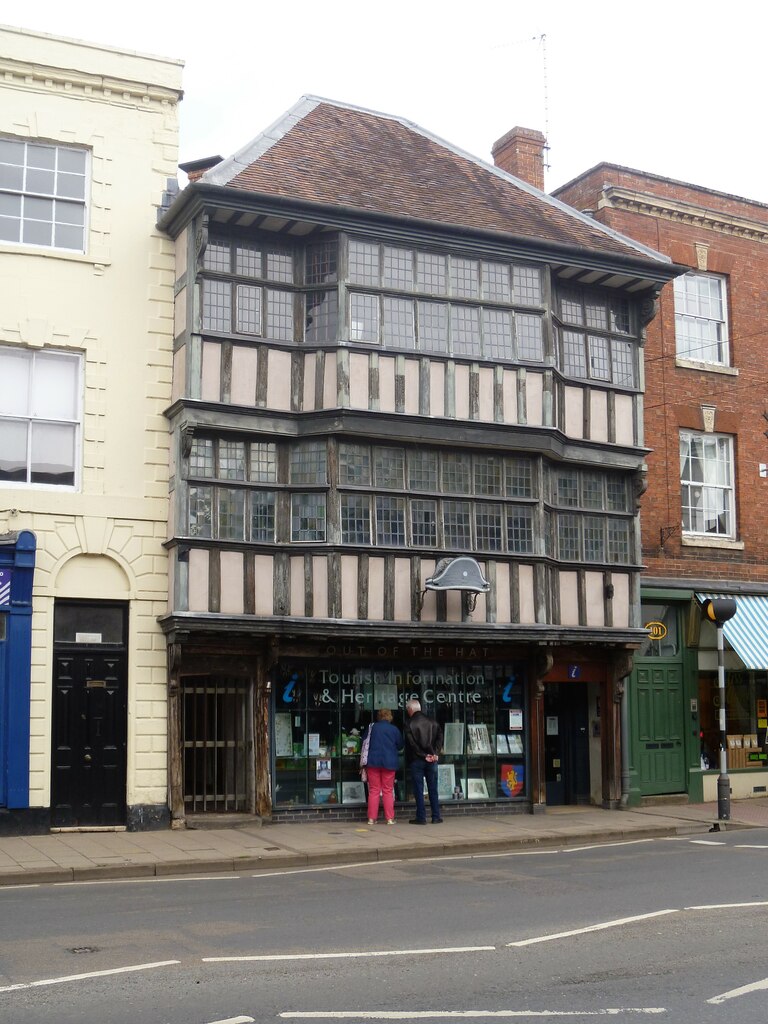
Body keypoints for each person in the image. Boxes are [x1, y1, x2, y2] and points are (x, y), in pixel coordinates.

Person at [404, 698, 443, 824]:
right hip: (432, 759)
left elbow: (412, 744)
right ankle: (436, 816)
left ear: (410, 709)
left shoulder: (409, 723)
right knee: (433, 788)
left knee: (418, 789)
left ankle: (421, 817)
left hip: (417, 760)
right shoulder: (433, 722)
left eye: (407, 710)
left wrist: (423, 755)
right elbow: (439, 738)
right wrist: (435, 753)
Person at [363, 708, 404, 825]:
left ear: (379, 716)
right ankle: (390, 819)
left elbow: (364, 741)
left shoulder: (372, 728)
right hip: (389, 763)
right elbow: (400, 745)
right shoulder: (394, 729)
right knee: (388, 790)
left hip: (373, 762)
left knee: (374, 790)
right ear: (389, 716)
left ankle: (371, 818)